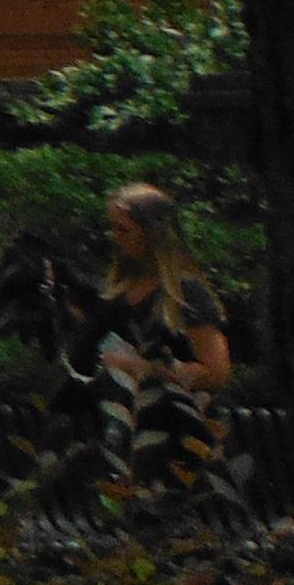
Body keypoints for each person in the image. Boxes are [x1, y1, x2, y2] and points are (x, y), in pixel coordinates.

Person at [81, 181, 234, 496]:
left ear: (151, 234)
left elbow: (217, 372)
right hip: (111, 416)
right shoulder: (116, 292)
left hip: (170, 424)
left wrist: (142, 368)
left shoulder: (185, 294)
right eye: (113, 229)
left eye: (123, 230)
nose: (115, 238)